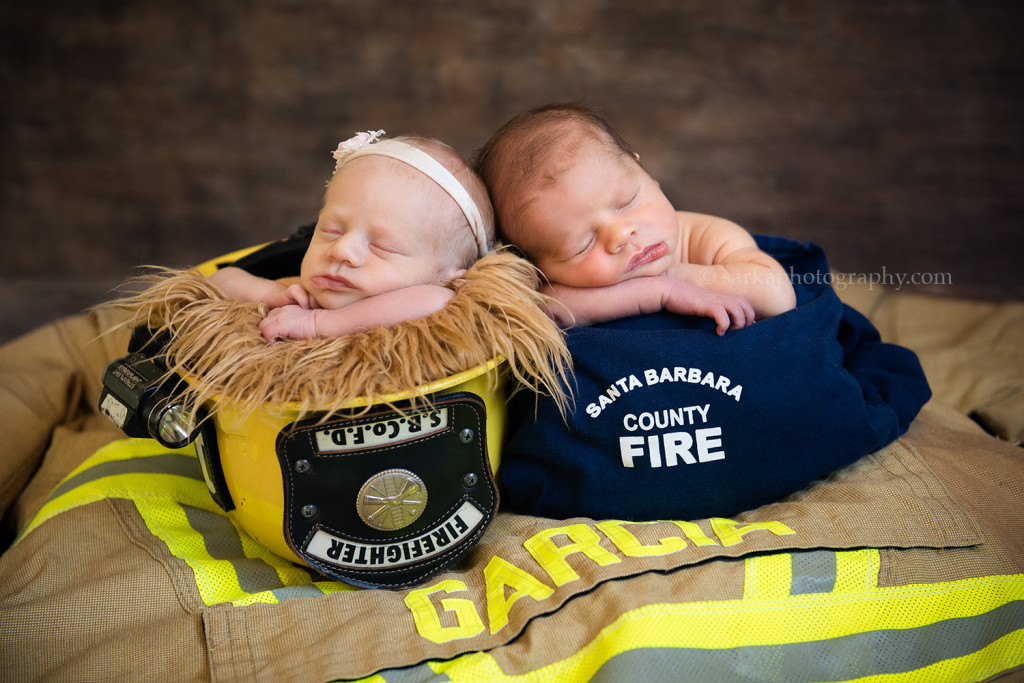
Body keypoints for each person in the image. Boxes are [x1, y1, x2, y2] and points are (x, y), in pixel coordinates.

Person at [474, 103, 796, 334]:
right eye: (583, 245)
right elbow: (544, 309)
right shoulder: (559, 288)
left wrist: (674, 277)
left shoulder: (708, 237)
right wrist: (659, 293)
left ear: (644, 172)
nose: (621, 234)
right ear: (536, 265)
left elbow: (778, 295)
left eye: (626, 202)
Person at [209, 130, 494, 341]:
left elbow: (438, 301)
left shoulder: (435, 299)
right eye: (331, 231)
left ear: (447, 276)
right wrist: (271, 293)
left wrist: (318, 324)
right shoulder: (301, 296)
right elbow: (219, 281)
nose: (342, 250)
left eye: (384, 246)